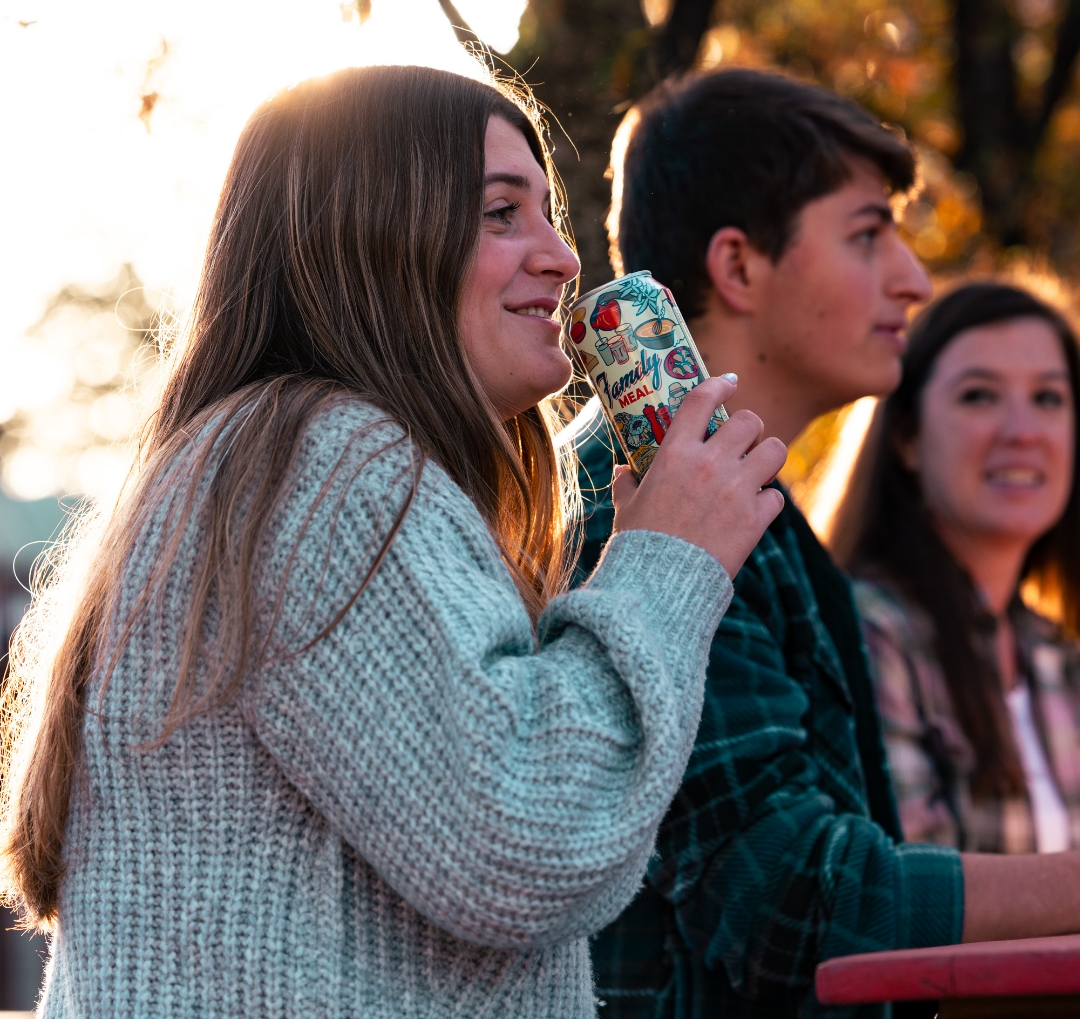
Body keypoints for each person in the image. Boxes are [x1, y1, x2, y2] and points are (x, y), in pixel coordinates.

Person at [0, 66, 788, 1018]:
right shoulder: (323, 464)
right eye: (503, 213)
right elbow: (527, 838)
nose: (562, 258)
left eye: (547, 213)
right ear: (372, 238)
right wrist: (667, 565)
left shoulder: (273, 462)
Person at [575, 68, 1080, 1019]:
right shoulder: (654, 501)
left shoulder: (751, 510)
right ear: (738, 267)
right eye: (866, 234)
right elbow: (796, 900)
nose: (915, 279)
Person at [838, 281, 1080, 855]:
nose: (1022, 431)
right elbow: (913, 896)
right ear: (908, 438)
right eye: (979, 396)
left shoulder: (1057, 655)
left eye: (1049, 398)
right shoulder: (870, 632)